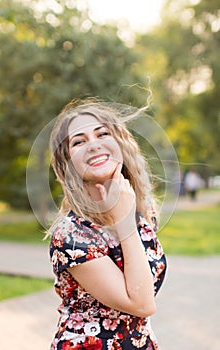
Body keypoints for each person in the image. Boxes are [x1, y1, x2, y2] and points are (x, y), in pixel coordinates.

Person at [48, 99, 167, 350]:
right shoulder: (70, 234)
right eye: (79, 141)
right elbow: (142, 305)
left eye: (102, 133)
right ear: (67, 163)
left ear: (120, 144)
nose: (94, 144)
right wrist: (124, 224)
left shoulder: (139, 213)